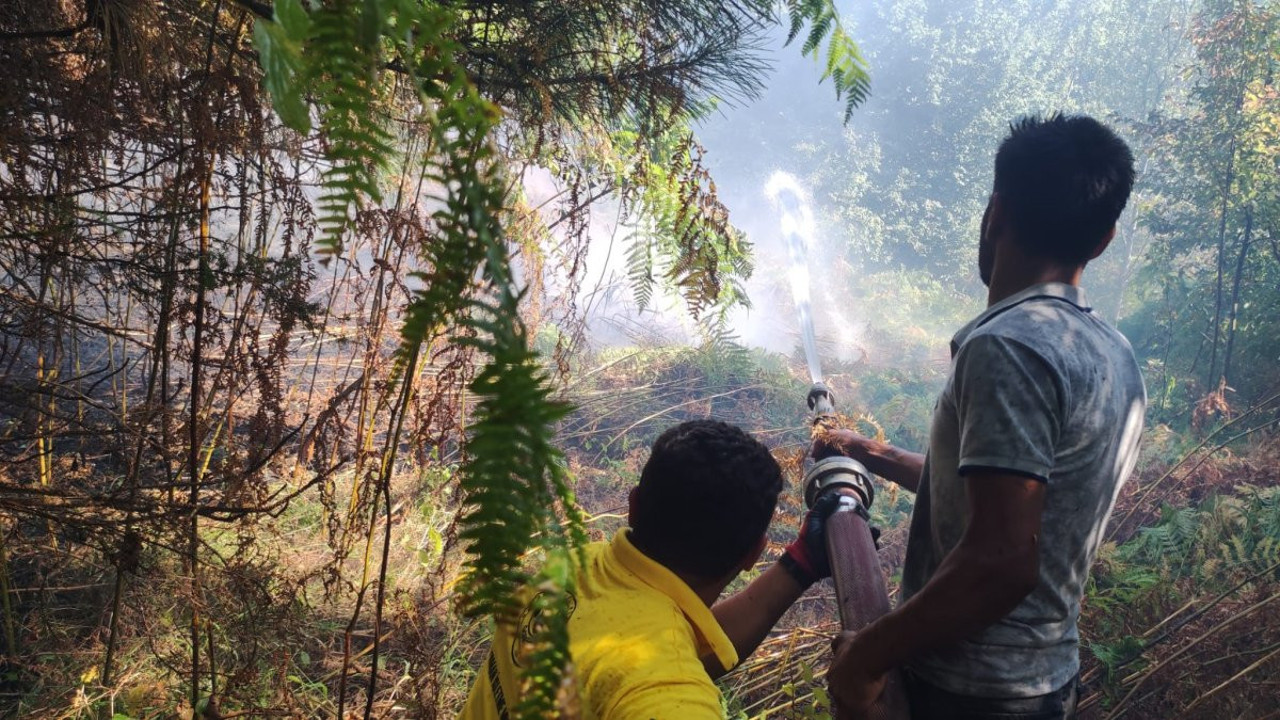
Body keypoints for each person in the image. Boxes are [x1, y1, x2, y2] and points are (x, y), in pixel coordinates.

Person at [820, 113, 1147, 719]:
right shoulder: (1114, 353)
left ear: (995, 212)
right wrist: (866, 451)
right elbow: (1000, 500)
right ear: (1103, 240)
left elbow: (1000, 560)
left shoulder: (1009, 347)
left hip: (967, 689)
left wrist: (866, 656)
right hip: (1044, 682)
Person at [459, 419, 836, 719]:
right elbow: (659, 674)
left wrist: (799, 564)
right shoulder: (665, 690)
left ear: (634, 506)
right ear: (753, 555)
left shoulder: (578, 563)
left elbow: (671, 656)